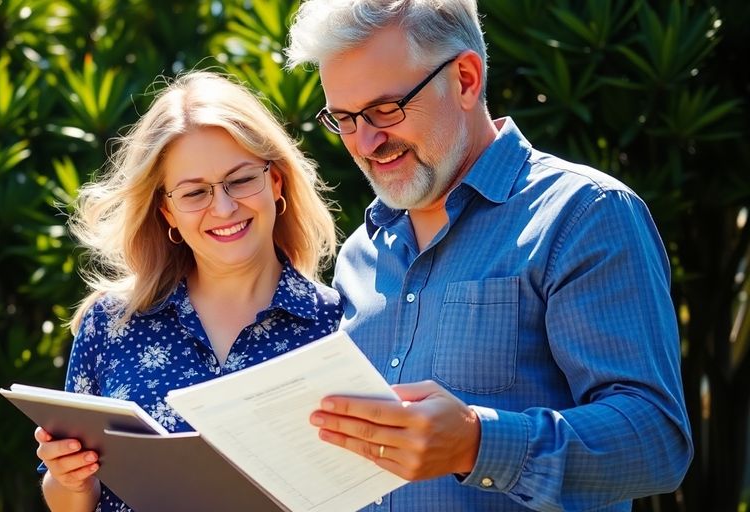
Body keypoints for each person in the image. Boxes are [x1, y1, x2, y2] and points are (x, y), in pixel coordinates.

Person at [284, 1, 693, 510]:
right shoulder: (360, 254)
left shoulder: (583, 214)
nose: (366, 141)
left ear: (465, 78)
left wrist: (478, 442)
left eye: (385, 109)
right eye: (344, 119)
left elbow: (656, 441)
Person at [32, 70, 342, 511]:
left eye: (240, 180)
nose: (224, 207)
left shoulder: (335, 323)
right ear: (167, 212)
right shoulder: (111, 324)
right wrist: (71, 481)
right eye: (195, 192)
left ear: (276, 182)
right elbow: (67, 501)